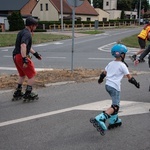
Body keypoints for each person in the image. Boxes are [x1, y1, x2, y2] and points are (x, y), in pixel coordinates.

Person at [90, 44, 140, 135]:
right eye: (124, 53)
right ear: (122, 55)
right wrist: (136, 84)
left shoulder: (110, 63)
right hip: (114, 87)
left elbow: (103, 73)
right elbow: (130, 78)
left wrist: (100, 80)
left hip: (108, 86)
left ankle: (114, 120)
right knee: (115, 106)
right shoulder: (122, 65)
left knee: (115, 103)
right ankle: (100, 118)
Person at [12, 17, 42, 101]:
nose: (36, 27)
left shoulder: (22, 32)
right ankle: (28, 94)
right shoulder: (27, 34)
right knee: (32, 75)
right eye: (35, 26)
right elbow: (23, 45)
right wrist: (24, 58)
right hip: (21, 56)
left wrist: (36, 54)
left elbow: (27, 47)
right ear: (31, 26)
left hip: (15, 56)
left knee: (22, 75)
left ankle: (17, 92)